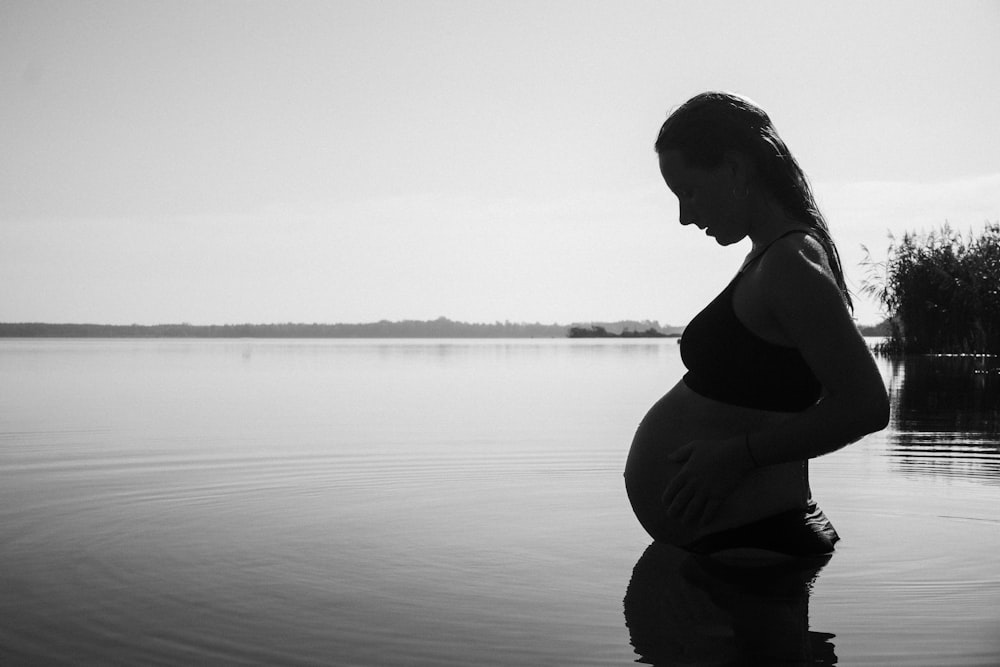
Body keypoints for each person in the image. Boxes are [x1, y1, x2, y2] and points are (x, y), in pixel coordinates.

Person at [624, 92, 890, 556]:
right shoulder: (769, 256)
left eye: (689, 192)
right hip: (741, 547)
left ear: (735, 168)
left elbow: (866, 404)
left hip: (760, 545)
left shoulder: (790, 261)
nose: (686, 216)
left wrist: (737, 456)